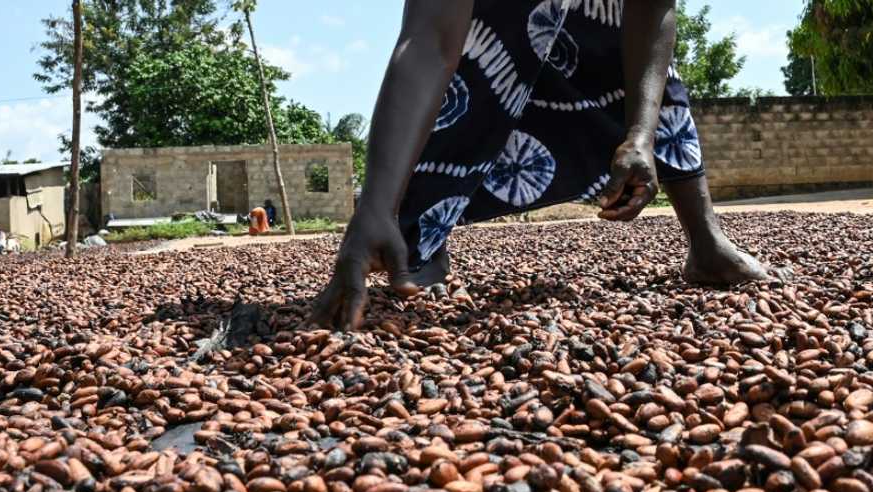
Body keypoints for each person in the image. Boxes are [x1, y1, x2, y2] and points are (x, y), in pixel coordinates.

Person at [313, 0, 770, 330]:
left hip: (593, 48)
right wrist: (376, 205)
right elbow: (431, 39)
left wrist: (640, 136)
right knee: (404, 255)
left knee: (611, 17)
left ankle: (704, 239)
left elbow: (651, 10)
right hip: (491, 63)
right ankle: (418, 228)